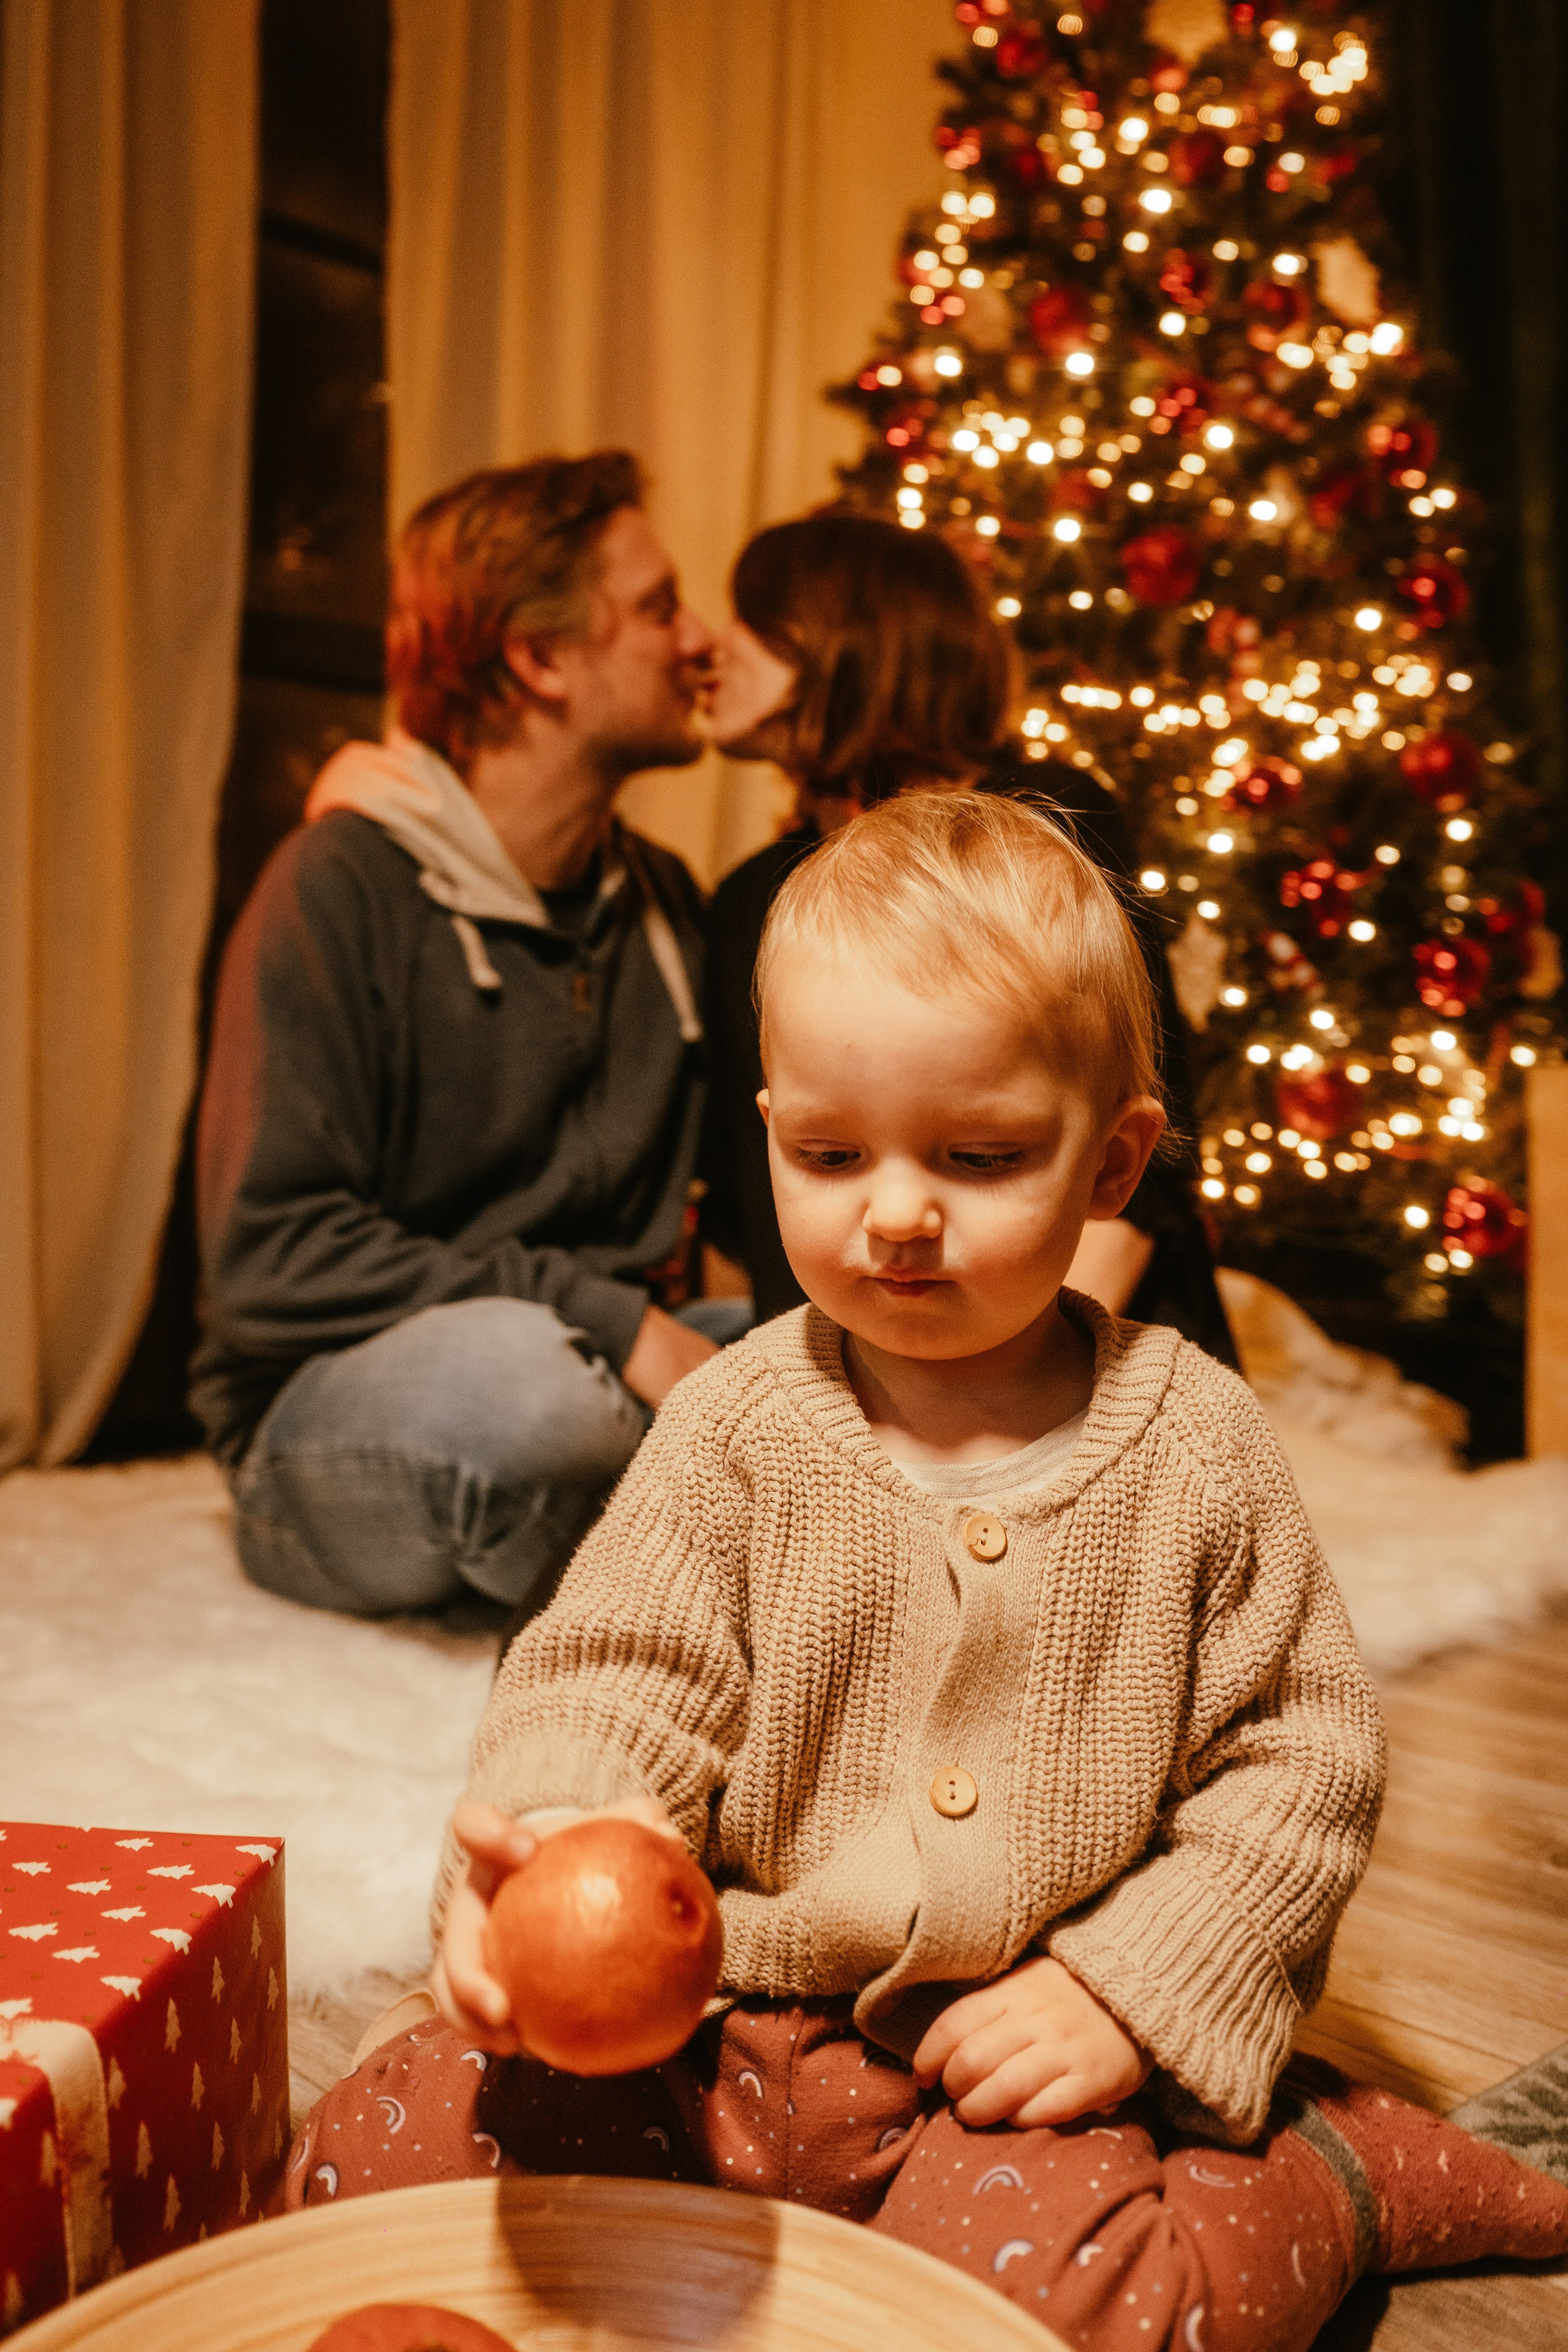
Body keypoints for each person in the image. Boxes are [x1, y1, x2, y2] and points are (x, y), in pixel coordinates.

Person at [282, 794, 1567, 2345]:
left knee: (1082, 2320)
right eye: (828, 1153)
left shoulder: (1198, 1450)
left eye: (978, 1154)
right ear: (769, 1133)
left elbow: (1296, 1772)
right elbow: (615, 1674)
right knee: (371, 2159)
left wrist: (1124, 1994)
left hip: (1010, 2069)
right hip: (719, 2031)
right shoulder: (737, 1424)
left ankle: (1328, 2177)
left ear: (1112, 1164)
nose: (892, 1213)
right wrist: (571, 1841)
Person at [191, 451, 745, 1622]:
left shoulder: (665, 903)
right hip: (360, 1410)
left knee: (862, 1363)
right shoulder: (337, 889)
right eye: (656, 608)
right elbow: (272, 1263)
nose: (701, 640)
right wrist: (606, 1321)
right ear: (539, 659)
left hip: (608, 1367)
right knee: (535, 1406)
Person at [698, 510, 1237, 1363]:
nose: (709, 647)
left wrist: (986, 1402)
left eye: (755, 622)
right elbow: (754, 1210)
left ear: (850, 641)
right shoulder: (747, 902)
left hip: (1082, 1359)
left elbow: (1145, 1172)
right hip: (847, 1376)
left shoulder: (1051, 822)